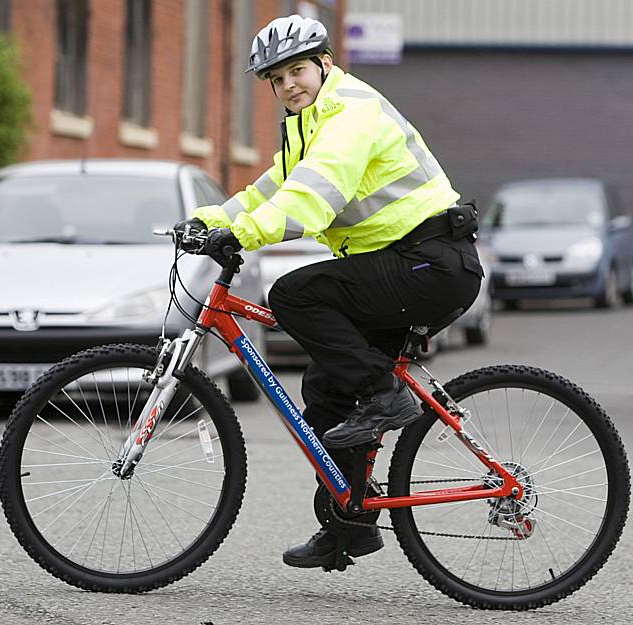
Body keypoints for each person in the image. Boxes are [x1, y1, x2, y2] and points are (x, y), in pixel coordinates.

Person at [175, 14, 483, 570]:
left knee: (294, 293)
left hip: (431, 262)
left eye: (298, 70)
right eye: (277, 77)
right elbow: (271, 189)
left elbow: (313, 198)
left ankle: (386, 395)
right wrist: (209, 218)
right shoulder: (306, 125)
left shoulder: (350, 113)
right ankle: (348, 526)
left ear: (324, 64)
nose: (289, 83)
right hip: (403, 264)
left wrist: (241, 234)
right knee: (327, 387)